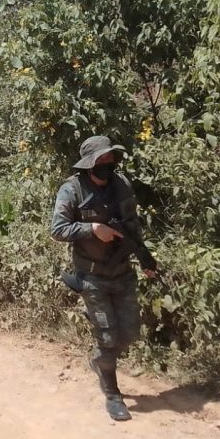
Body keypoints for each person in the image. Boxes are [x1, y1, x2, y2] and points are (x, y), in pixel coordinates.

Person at [50, 135, 159, 422]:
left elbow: (132, 226)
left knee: (130, 333)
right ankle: (112, 394)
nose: (108, 163)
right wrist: (93, 229)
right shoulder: (72, 190)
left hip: (122, 272)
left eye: (111, 158)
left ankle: (99, 360)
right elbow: (58, 229)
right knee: (109, 337)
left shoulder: (120, 184)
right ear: (89, 164)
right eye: (102, 159)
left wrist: (145, 259)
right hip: (92, 276)